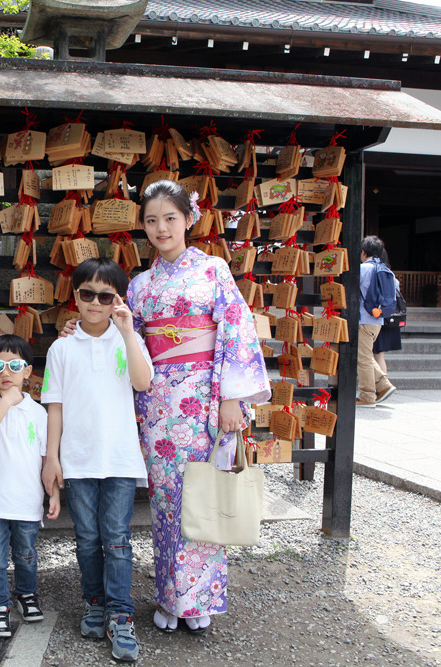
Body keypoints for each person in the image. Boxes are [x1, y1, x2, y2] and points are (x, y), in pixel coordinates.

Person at [126, 180, 270, 633]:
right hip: (156, 403)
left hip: (203, 398)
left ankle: (198, 597)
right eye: (151, 220)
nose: (161, 228)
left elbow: (236, 330)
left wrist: (232, 396)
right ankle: (171, 597)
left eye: (170, 218)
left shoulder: (213, 271)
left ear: (189, 219)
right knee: (166, 502)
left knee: (201, 495)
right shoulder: (139, 284)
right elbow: (128, 342)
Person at [41, 257, 152, 662]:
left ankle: (121, 615)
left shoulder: (128, 340)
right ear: (75, 296)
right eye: (87, 294)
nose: (95, 303)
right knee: (87, 539)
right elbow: (54, 406)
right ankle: (95, 602)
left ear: (117, 300)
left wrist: (126, 330)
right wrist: (51, 459)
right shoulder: (61, 347)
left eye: (105, 296)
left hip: (120, 459)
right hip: (78, 459)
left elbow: (142, 382)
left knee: (118, 540)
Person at [0, 335, 58, 638]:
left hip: (27, 499)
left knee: (26, 554)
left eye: (14, 365)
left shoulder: (39, 412)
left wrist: (54, 493)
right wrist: (6, 401)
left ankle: (26, 593)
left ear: (27, 371)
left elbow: (47, 457)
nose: (5, 372)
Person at [358, 235, 397, 408]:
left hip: (363, 319)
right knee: (366, 355)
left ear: (364, 252)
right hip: (378, 321)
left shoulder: (363, 269)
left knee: (364, 359)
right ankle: (383, 385)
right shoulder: (387, 271)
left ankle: (367, 395)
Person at [372, 246, 402, 380]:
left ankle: (382, 385)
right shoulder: (390, 274)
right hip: (388, 317)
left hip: (378, 317)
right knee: (379, 355)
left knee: (375, 355)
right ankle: (381, 385)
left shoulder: (378, 273)